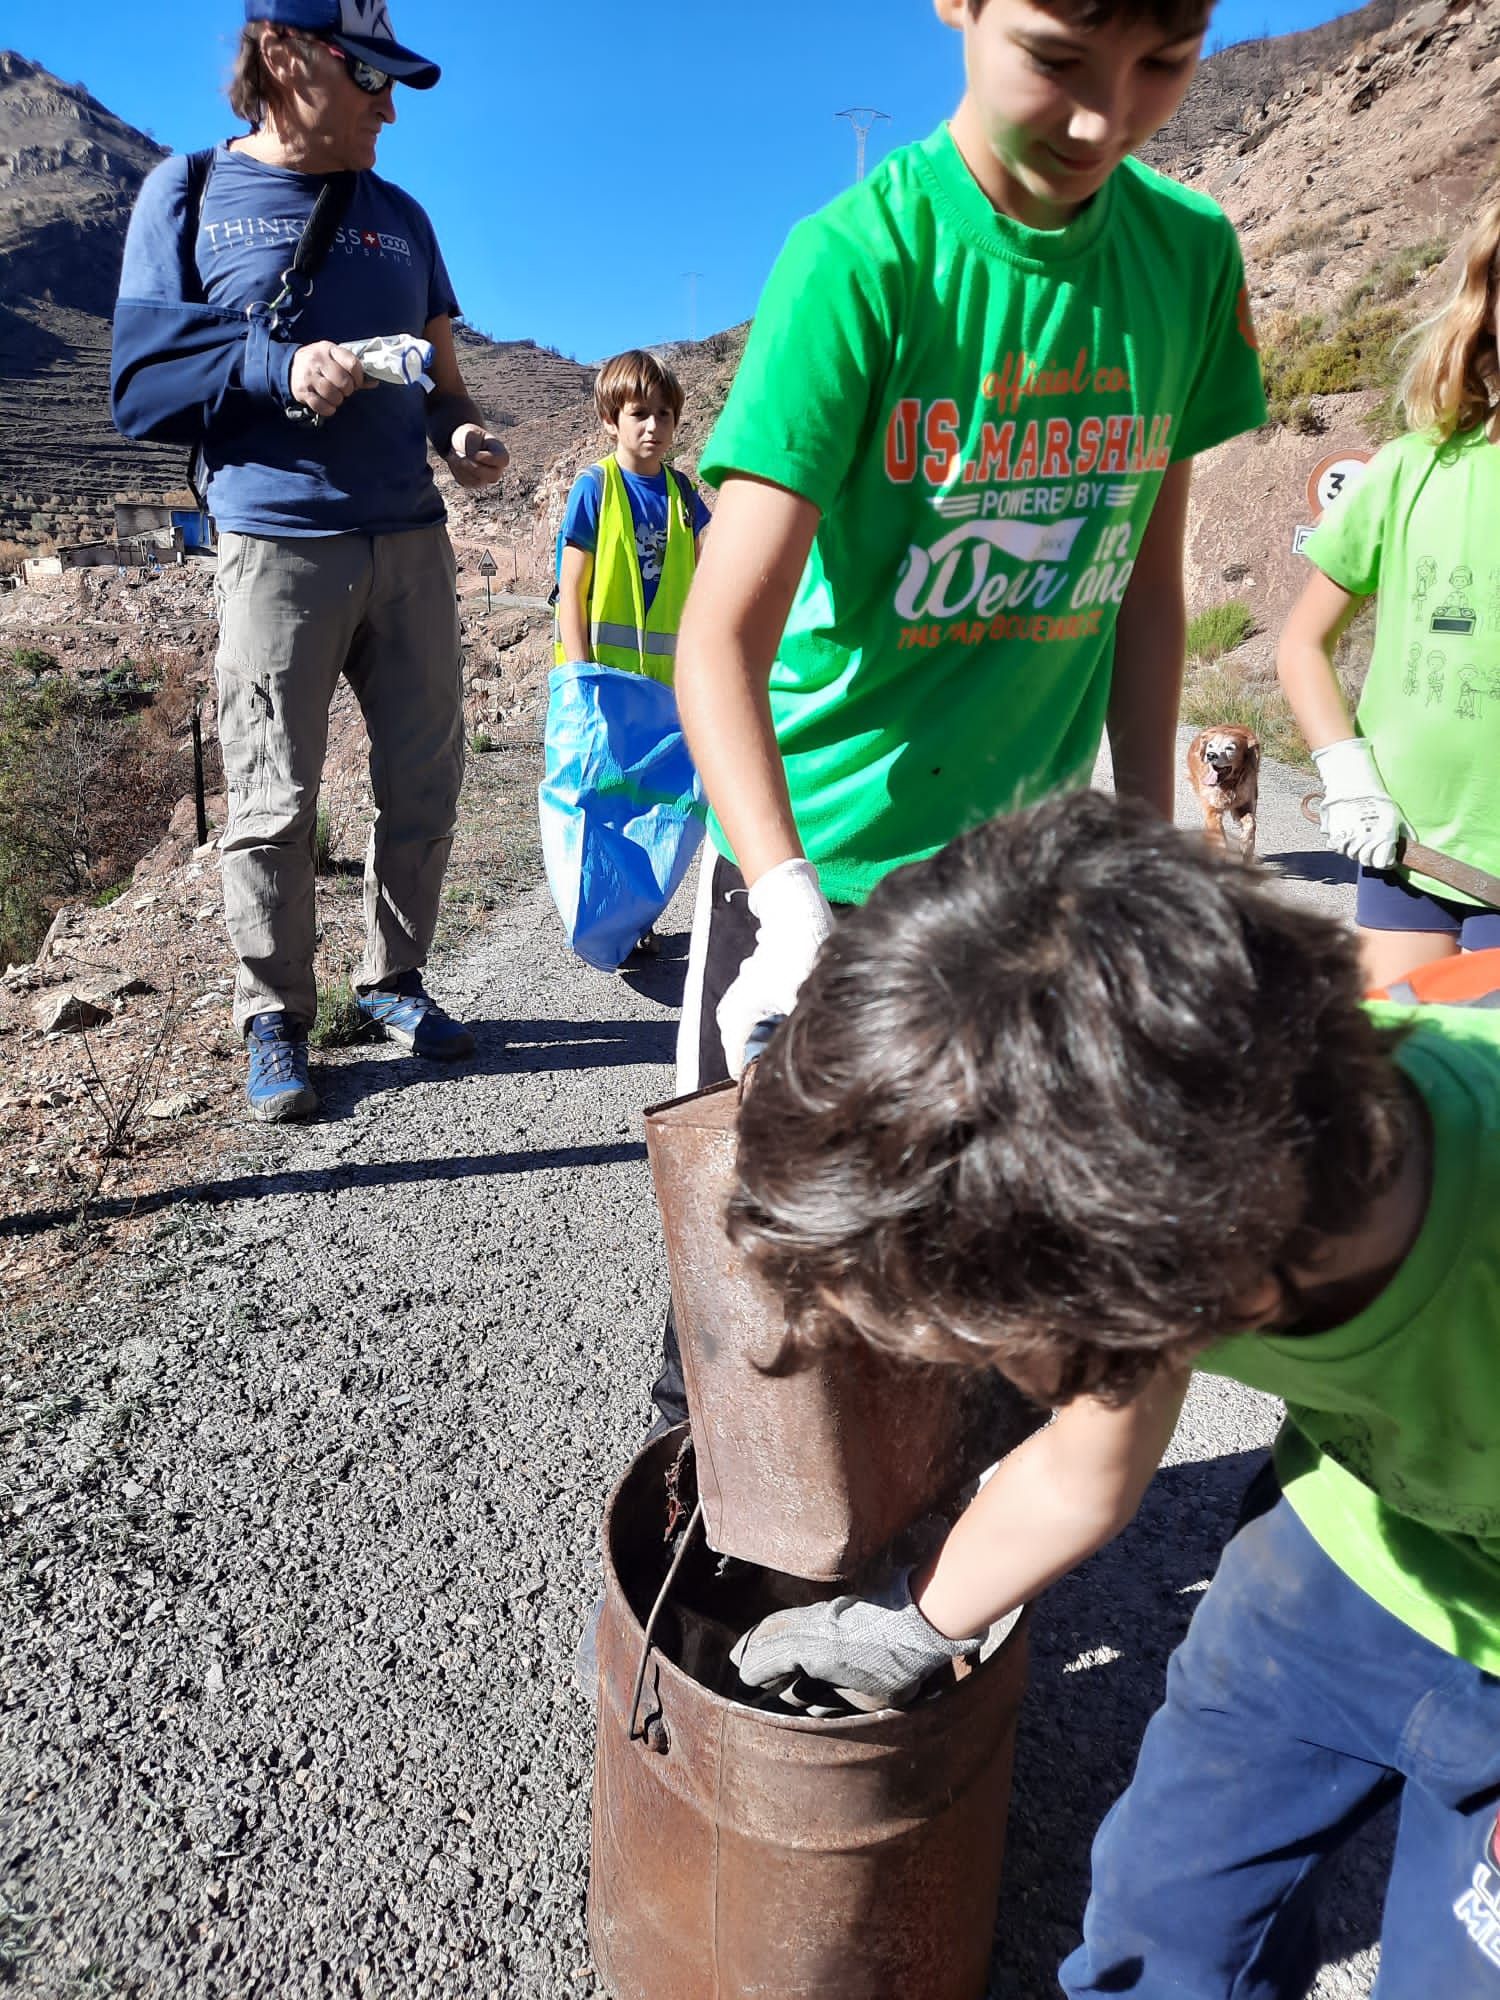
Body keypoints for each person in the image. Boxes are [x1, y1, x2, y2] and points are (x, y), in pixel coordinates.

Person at [727, 788, 1500, 1998]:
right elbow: (1084, 1465)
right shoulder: (1219, 1149)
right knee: (1165, 1925)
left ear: (1145, 1285)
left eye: (985, 1348)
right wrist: (905, 1628)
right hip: (1347, 1554)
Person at [648, 0, 1267, 1426]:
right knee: (763, 1272)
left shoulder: (1184, 257)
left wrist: (1140, 855)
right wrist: (786, 901)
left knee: (980, 1243)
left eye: (1163, 64)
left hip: (1013, 887)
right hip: (816, 856)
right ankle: (734, 1504)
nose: (1107, 118)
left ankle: (960, 1555)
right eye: (1057, 57)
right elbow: (717, 638)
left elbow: (1143, 593)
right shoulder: (860, 262)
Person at [111, 0, 507, 1122]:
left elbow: (444, 378)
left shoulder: (404, 216)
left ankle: (394, 979)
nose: (389, 106)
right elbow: (138, 379)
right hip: (275, 541)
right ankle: (274, 1014)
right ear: (283, 58)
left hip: (411, 537)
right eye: (368, 78)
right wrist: (278, 368)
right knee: (274, 799)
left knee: (425, 774)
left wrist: (462, 435)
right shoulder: (185, 196)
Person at [1278, 182, 1500, 992]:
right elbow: (1303, 643)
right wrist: (1348, 778)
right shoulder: (1408, 468)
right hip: (1407, 855)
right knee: (1400, 1090)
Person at [543, 352, 712, 968]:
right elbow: (573, 593)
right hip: (603, 686)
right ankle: (597, 915)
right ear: (612, 418)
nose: (653, 427)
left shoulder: (684, 494)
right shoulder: (596, 488)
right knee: (601, 801)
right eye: (640, 414)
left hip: (664, 688)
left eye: (664, 414)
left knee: (659, 805)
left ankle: (638, 916)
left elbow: (711, 570)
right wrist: (582, 679)